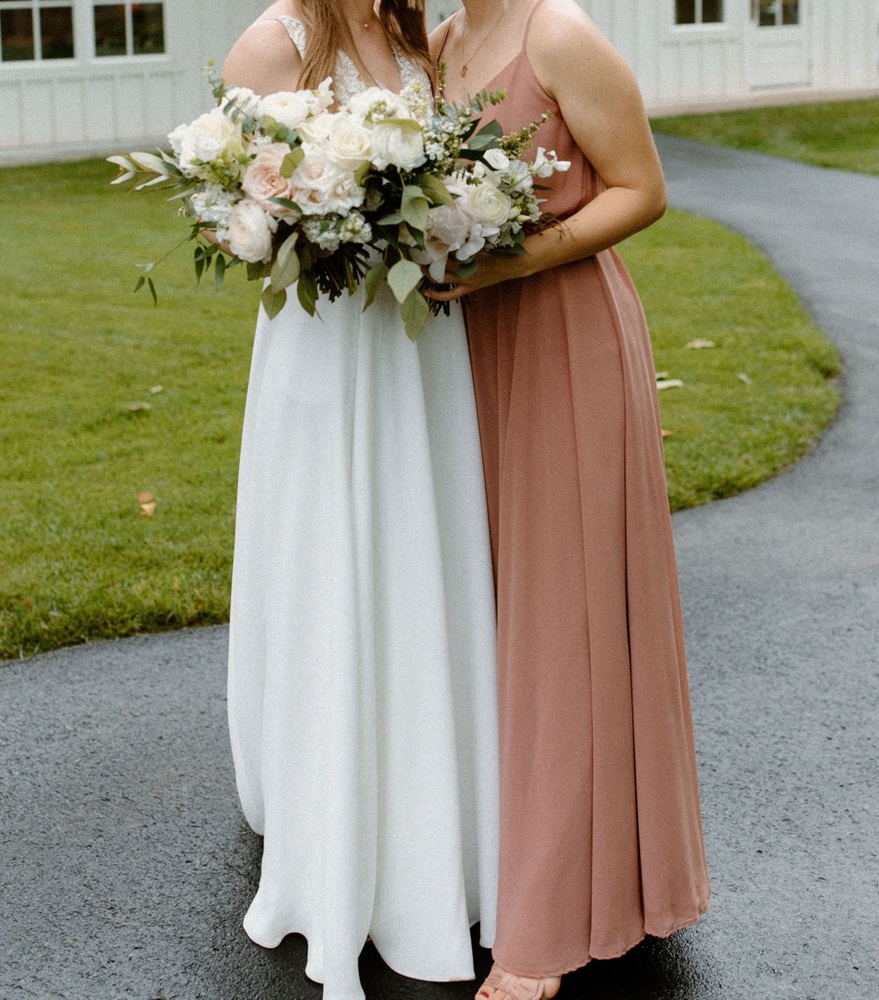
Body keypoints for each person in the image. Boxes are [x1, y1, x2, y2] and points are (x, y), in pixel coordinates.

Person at [427, 2, 711, 998]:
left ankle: (546, 927)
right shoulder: (440, 38)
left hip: (561, 333)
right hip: (468, 344)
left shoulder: (559, 35)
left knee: (566, 620)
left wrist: (515, 257)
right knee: (493, 607)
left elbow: (642, 189)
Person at [222, 3, 500, 998]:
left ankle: (445, 815)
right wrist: (327, 212)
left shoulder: (422, 35)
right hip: (330, 350)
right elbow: (239, 220)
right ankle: (333, 814)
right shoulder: (279, 43)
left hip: (420, 345)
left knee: (425, 545)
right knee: (336, 559)